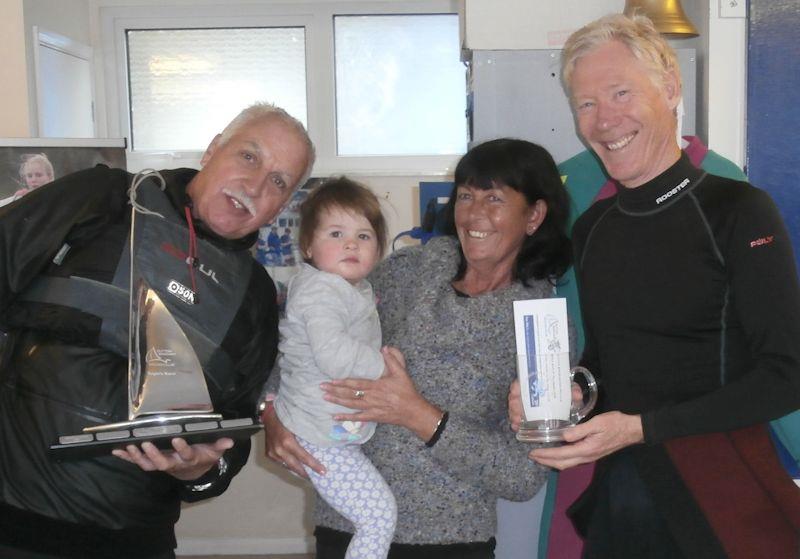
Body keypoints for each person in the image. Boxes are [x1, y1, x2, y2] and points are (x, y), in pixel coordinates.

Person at [510, 13, 800, 558]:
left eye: (621, 93)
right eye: (586, 104)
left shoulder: (739, 210)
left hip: (723, 492)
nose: (604, 120)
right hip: (625, 492)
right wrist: (564, 390)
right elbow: (607, 362)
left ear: (669, 87)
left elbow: (786, 376)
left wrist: (642, 427)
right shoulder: (592, 228)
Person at [0, 102, 314, 558]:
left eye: (279, 181)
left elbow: (229, 447)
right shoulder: (105, 197)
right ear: (213, 149)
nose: (255, 184)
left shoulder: (256, 299)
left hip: (136, 542)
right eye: (249, 156)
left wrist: (196, 470)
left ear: (282, 206)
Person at [262, 138, 573, 558]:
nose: (474, 214)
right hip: (347, 524)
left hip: (449, 540)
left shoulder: (543, 327)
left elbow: (522, 476)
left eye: (495, 198)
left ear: (534, 214)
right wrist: (270, 412)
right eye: (465, 196)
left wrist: (420, 416)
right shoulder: (407, 271)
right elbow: (302, 337)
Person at [274, 177, 396, 559]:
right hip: (315, 436)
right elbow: (335, 355)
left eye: (364, 236)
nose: (351, 244)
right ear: (308, 245)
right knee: (377, 516)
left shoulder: (348, 288)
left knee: (374, 514)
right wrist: (386, 367)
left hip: (324, 431)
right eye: (337, 233)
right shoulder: (321, 291)